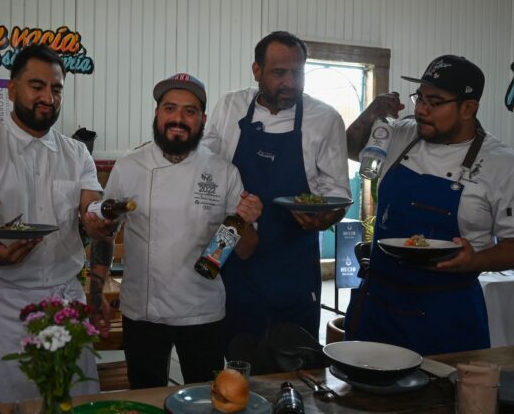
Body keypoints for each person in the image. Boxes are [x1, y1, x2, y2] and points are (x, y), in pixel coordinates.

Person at [0, 44, 110, 403]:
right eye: (36, 86)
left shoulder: (77, 153)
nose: (47, 98)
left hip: (64, 301)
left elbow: (91, 209)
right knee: (5, 403)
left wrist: (101, 222)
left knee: (71, 400)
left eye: (56, 89)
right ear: (12, 90)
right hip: (2, 305)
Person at [87, 73, 262, 388]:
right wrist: (96, 291)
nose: (178, 118)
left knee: (205, 401)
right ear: (156, 114)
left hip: (202, 313)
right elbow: (106, 233)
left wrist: (246, 220)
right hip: (141, 312)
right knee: (144, 398)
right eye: (169, 108)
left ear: (202, 120)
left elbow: (247, 249)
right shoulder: (129, 167)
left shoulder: (223, 172)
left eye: (189, 111)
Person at [344, 55, 514, 355]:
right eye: (419, 98)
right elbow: (349, 147)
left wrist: (475, 261)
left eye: (434, 101)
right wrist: (371, 112)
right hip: (379, 305)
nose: (421, 109)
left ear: (468, 107)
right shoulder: (401, 134)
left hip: (446, 315)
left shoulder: (501, 164)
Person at [202, 31, 350, 344]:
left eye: (297, 72)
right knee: (235, 361)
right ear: (257, 71)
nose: (290, 83)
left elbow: (337, 193)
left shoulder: (324, 119)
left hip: (292, 263)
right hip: (234, 257)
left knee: (294, 363)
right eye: (279, 73)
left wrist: (325, 217)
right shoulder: (231, 107)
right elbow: (206, 165)